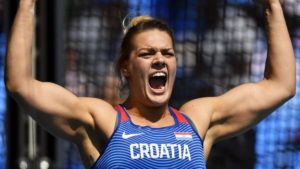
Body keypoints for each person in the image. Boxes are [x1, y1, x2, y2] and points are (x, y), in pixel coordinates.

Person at [5, 0, 296, 168]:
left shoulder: (196, 121)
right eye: (147, 54)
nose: (160, 59)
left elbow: (281, 86)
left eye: (167, 53)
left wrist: (271, 5)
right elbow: (21, 85)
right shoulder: (103, 121)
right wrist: (28, 3)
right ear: (126, 68)